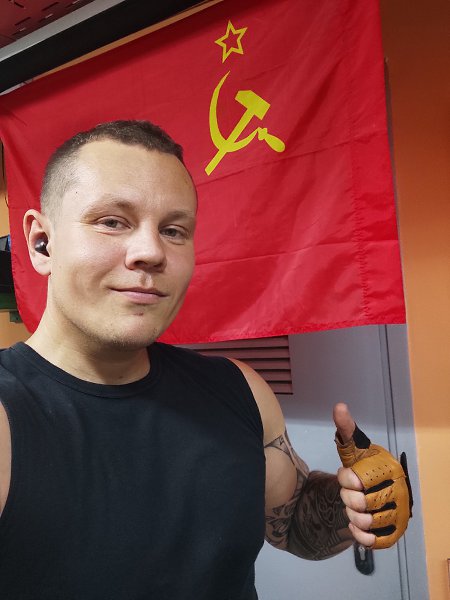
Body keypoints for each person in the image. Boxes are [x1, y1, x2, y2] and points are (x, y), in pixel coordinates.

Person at [0, 121, 403, 599]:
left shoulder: (239, 389)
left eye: (173, 230)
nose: (150, 252)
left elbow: (295, 524)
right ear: (41, 243)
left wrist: (353, 500)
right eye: (112, 221)